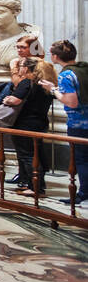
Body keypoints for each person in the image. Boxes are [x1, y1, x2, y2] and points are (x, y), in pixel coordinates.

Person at [3, 56, 54, 197]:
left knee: (28, 155)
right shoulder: (45, 83)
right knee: (36, 154)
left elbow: (15, 99)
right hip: (40, 122)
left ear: (26, 68)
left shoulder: (28, 82)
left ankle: (35, 187)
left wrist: (7, 99)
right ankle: (37, 185)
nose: (19, 68)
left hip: (25, 123)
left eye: (21, 66)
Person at [44, 40, 88, 206]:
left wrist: (53, 89)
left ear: (55, 56)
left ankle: (83, 192)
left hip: (79, 124)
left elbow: (71, 102)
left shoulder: (65, 75)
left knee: (82, 159)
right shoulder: (84, 69)